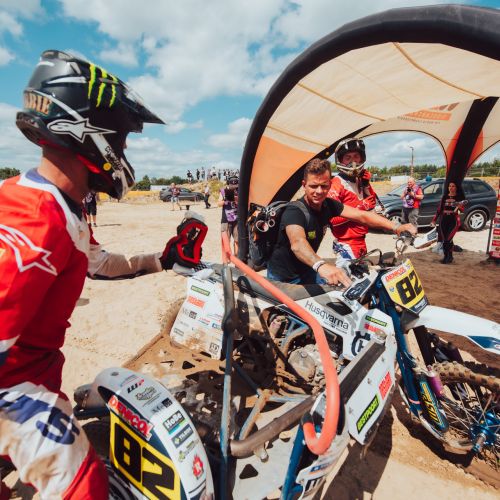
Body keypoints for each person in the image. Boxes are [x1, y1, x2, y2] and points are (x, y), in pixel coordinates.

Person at [0, 50, 207, 499]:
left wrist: (161, 259)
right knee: (84, 485)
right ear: (88, 132)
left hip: (35, 372)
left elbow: (99, 264)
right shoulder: (36, 222)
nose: (124, 152)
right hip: (13, 388)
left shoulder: (59, 207)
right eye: (123, 140)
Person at [266, 159, 417, 285]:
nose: (319, 191)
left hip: (308, 269)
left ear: (330, 184)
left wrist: (397, 226)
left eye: (324, 186)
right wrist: (322, 265)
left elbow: (362, 215)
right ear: (304, 185)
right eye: (313, 186)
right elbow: (298, 243)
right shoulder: (294, 211)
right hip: (284, 278)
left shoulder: (329, 205)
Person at [327, 138, 378, 266]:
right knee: (347, 277)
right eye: (348, 157)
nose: (353, 161)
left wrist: (366, 185)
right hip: (347, 243)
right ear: (341, 160)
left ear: (362, 158)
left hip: (360, 241)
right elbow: (332, 220)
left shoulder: (359, 181)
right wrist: (361, 207)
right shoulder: (337, 184)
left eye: (356, 156)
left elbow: (372, 204)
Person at [431, 181, 466, 264]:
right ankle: (448, 257)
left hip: (453, 220)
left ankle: (448, 257)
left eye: (453, 186)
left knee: (448, 239)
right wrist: (434, 219)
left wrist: (459, 206)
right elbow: (439, 209)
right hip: (443, 220)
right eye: (450, 186)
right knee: (445, 240)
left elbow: (462, 209)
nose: (451, 187)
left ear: (456, 188)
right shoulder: (444, 197)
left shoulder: (459, 197)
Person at [218, 175, 239, 254]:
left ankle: (236, 258)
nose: (234, 188)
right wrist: (225, 200)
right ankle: (226, 259)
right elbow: (218, 204)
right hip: (226, 220)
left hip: (237, 220)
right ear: (228, 184)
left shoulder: (240, 191)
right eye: (232, 186)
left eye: (235, 186)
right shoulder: (223, 191)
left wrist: (237, 200)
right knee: (226, 241)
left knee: (237, 241)